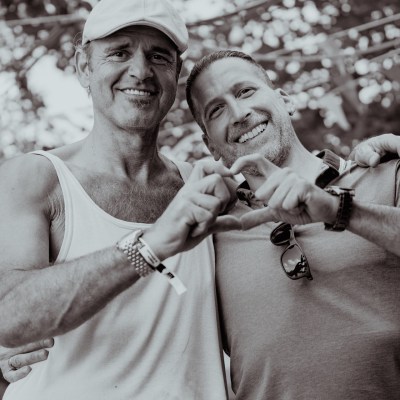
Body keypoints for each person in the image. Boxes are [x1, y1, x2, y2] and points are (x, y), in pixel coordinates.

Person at [0, 1, 242, 399]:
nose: (141, 71)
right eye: (119, 52)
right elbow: (8, 316)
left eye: (158, 56)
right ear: (84, 67)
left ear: (176, 74)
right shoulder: (35, 179)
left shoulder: (205, 188)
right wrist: (147, 247)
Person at [185, 50, 400, 399]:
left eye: (245, 91)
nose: (239, 114)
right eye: (216, 110)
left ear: (285, 100)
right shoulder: (211, 238)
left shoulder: (385, 173)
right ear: (210, 145)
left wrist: (338, 209)